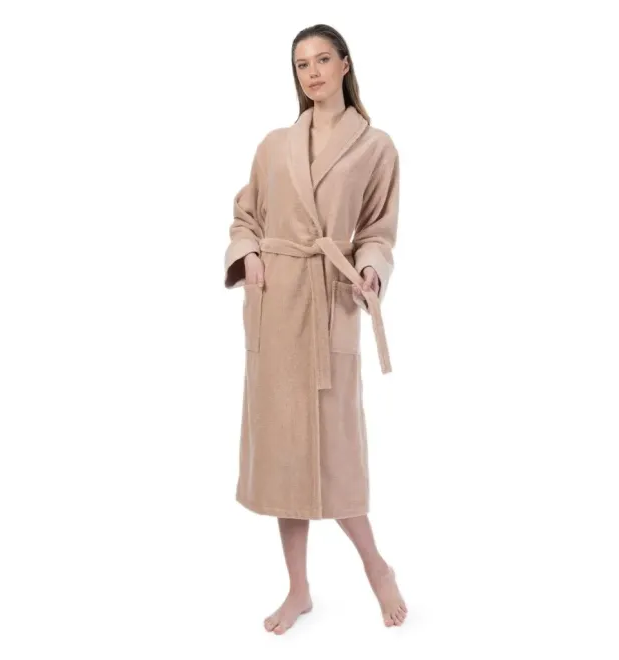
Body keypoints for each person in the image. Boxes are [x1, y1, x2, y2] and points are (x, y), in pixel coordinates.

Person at [223, 23, 406, 634]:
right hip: (277, 305)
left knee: (335, 452)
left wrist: (370, 269)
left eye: (323, 59)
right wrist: (249, 255)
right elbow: (245, 216)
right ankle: (298, 588)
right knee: (284, 457)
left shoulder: (375, 146)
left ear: (345, 65)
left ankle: (376, 566)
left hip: (331, 302)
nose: (313, 72)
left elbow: (377, 231)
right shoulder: (274, 144)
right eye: (302, 64)